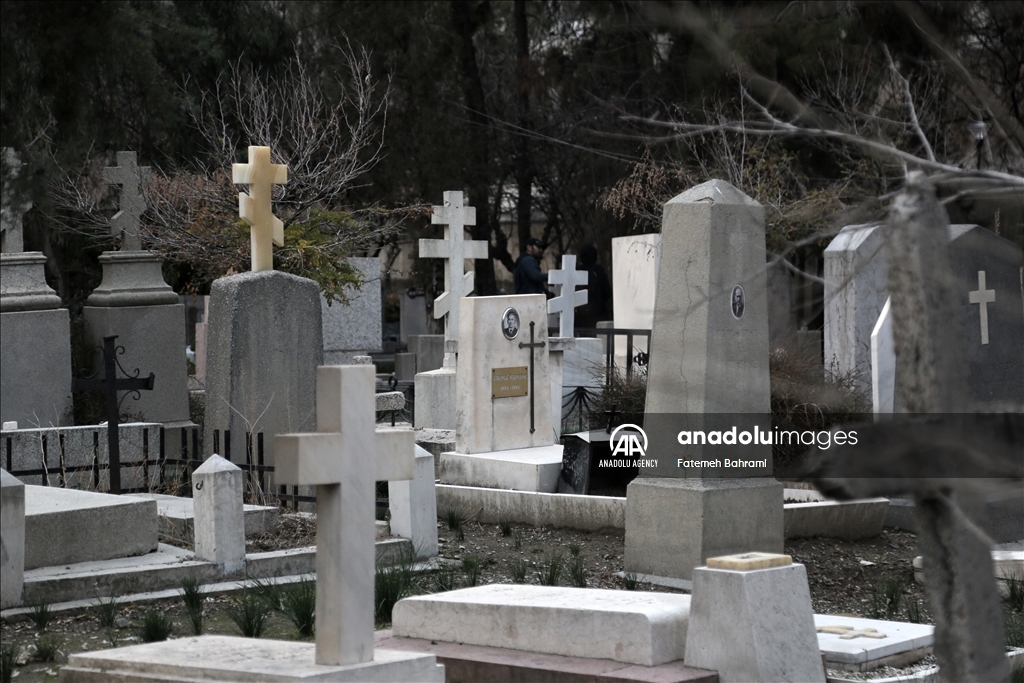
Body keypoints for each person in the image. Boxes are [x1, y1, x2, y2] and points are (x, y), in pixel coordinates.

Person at [575, 244, 612, 333]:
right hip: (598, 314)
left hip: (581, 316)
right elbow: (607, 292)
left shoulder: (576, 271)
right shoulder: (599, 270)